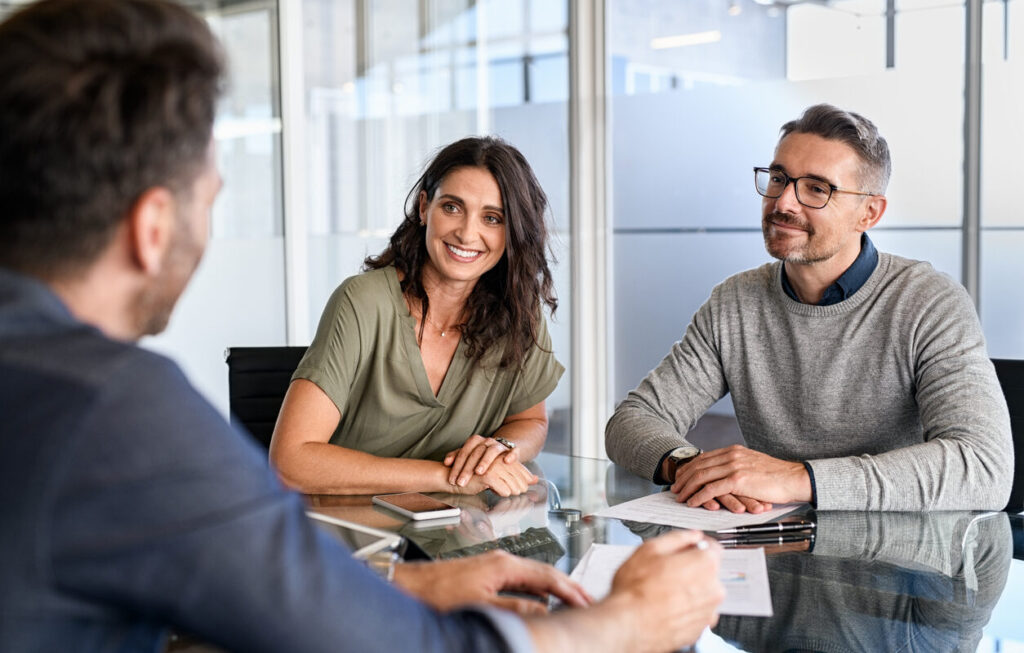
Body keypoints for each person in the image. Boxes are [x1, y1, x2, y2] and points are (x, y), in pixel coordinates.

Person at [0, 1, 725, 652]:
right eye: (212, 195)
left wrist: (409, 584)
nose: (468, 230)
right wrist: (623, 621)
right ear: (153, 226)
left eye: (493, 217)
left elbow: (241, 594)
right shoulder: (118, 412)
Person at [606, 104, 1013, 513]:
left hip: (900, 560)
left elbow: (982, 467)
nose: (784, 202)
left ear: (869, 213)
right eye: (779, 178)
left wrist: (797, 478)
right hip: (771, 549)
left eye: (817, 189)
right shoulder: (734, 302)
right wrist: (690, 467)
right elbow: (632, 420)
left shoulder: (928, 303)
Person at [270, 137, 563, 497]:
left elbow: (529, 420)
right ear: (424, 207)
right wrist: (446, 478)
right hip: (345, 535)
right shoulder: (362, 302)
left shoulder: (519, 311)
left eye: (492, 218)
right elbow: (290, 462)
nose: (467, 233)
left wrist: (501, 448)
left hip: (453, 537)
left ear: (512, 231)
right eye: (453, 207)